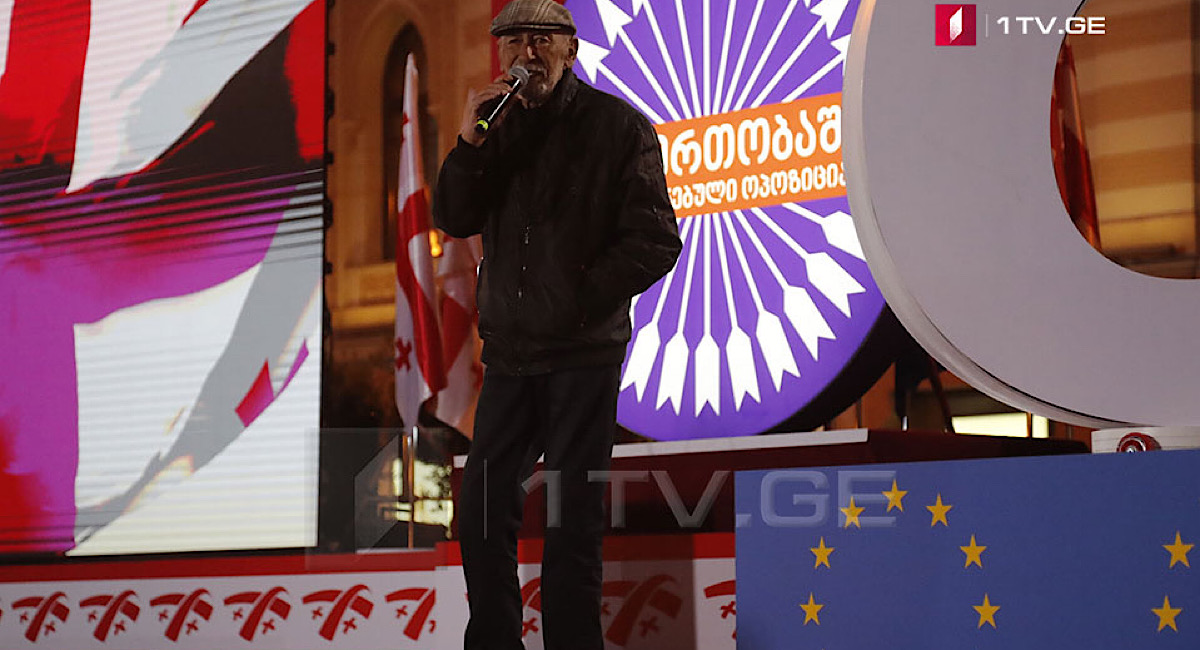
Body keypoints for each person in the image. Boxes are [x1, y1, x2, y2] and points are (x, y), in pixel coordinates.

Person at [432, 1, 681, 648]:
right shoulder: (496, 126)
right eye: (513, 40)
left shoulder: (616, 126)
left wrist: (577, 299)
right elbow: (454, 218)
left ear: (571, 50)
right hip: (510, 356)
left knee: (572, 524)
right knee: (481, 511)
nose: (527, 53)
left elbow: (656, 240)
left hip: (582, 353)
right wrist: (469, 145)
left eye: (542, 39)